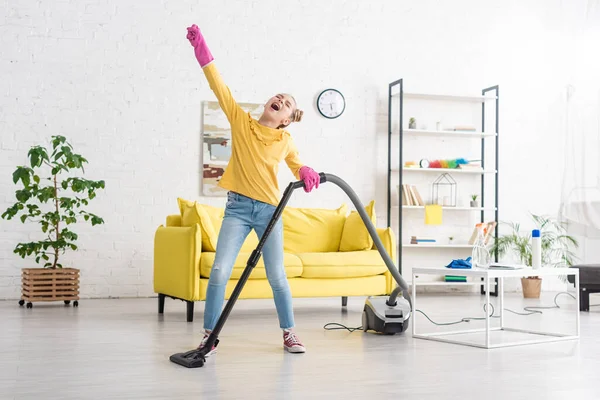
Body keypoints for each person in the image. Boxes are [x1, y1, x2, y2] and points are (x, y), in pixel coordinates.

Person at [186, 24, 321, 355]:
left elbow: (296, 164)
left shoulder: (285, 140)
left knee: (276, 274)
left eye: (287, 102)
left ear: (287, 119)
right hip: (237, 209)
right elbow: (218, 85)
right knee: (219, 270)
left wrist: (304, 170)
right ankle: (209, 335)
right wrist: (201, 50)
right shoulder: (241, 122)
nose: (280, 100)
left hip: (269, 213)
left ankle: (289, 333)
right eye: (278, 96)